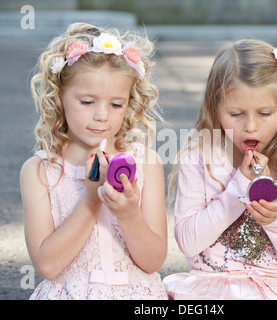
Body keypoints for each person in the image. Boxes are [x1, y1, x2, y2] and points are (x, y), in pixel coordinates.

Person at [163, 39, 277, 299]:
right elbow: (188, 243)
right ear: (215, 107)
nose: (251, 127)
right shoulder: (199, 158)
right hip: (208, 289)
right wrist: (238, 187)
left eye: (265, 114)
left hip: (272, 288)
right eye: (236, 113)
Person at [20, 23, 168, 299]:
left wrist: (128, 213)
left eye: (116, 104)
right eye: (87, 102)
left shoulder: (147, 163)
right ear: (59, 97)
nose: (102, 115)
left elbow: (153, 261)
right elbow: (48, 265)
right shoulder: (40, 171)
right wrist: (90, 200)